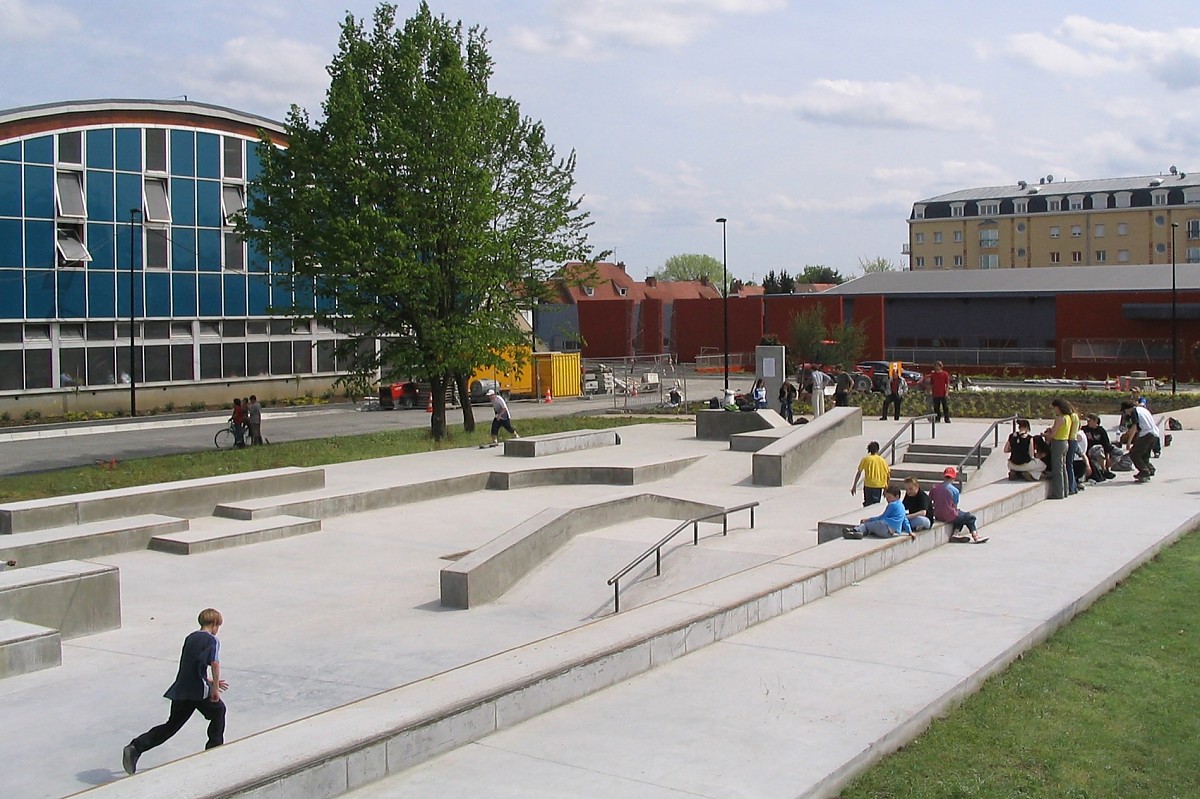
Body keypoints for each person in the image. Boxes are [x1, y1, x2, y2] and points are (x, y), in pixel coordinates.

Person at [122, 608, 228, 776]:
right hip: (197, 692)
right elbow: (214, 664)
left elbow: (191, 667)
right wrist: (214, 688)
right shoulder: (212, 640)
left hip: (181, 689)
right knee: (219, 710)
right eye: (218, 626)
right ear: (214, 624)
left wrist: (209, 681)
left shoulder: (190, 638)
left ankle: (136, 747)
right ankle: (214, 751)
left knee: (171, 725)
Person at [929, 467, 987, 543]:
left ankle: (956, 533)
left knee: (961, 517)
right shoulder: (954, 490)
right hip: (949, 515)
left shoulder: (934, 488)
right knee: (969, 517)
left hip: (938, 515)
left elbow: (930, 501)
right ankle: (975, 536)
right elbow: (955, 506)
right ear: (954, 478)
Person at [842, 485, 915, 540]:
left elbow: (882, 517)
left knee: (867, 525)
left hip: (885, 528)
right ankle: (861, 532)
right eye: (886, 498)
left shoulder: (892, 505)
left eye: (889, 497)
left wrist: (868, 519)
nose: (887, 500)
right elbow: (905, 520)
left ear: (897, 496)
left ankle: (856, 531)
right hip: (891, 533)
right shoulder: (902, 506)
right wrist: (910, 532)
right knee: (872, 527)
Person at [1120, 400, 1160, 483]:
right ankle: (1150, 469)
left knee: (1134, 454)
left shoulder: (1134, 411)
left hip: (1147, 434)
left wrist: (1129, 442)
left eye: (1124, 412)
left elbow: (1134, 427)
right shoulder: (1142, 409)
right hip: (1155, 434)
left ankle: (1144, 471)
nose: (1126, 414)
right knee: (1144, 455)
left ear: (1127, 409)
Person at [1043, 398, 1072, 499]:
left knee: (1057, 469)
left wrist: (1045, 434)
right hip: (1065, 442)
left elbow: (1053, 434)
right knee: (1063, 468)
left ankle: (1058, 493)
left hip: (1058, 443)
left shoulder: (1059, 418)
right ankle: (1065, 490)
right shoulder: (1068, 417)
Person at [850, 440, 890, 507]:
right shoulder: (883, 461)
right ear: (877, 450)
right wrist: (886, 488)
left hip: (868, 485)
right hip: (879, 486)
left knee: (867, 504)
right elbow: (888, 475)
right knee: (875, 505)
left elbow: (859, 473)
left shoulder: (865, 459)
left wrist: (854, 486)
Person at [1082, 413, 1116, 482]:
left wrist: (1108, 457)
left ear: (1095, 421)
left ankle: (1106, 468)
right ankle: (1103, 470)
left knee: (1118, 452)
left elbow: (1106, 445)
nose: (1088, 422)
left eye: (1090, 420)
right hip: (1089, 450)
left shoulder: (1101, 431)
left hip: (1101, 451)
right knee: (1098, 448)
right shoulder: (1084, 429)